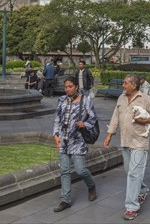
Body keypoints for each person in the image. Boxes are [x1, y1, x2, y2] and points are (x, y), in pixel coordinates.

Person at [104, 74, 150, 221]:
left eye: (125, 83)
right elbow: (115, 116)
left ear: (133, 86)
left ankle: (132, 207)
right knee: (129, 171)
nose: (123, 85)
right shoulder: (121, 98)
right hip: (125, 141)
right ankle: (142, 189)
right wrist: (110, 133)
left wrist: (146, 120)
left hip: (140, 142)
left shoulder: (145, 99)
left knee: (134, 174)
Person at [52, 76, 98, 212]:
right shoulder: (62, 100)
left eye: (70, 86)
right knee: (64, 171)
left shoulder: (86, 101)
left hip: (78, 141)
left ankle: (91, 186)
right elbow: (57, 119)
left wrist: (85, 124)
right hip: (64, 140)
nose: (67, 89)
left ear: (76, 86)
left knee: (80, 170)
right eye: (65, 87)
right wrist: (56, 135)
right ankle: (65, 200)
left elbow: (93, 118)